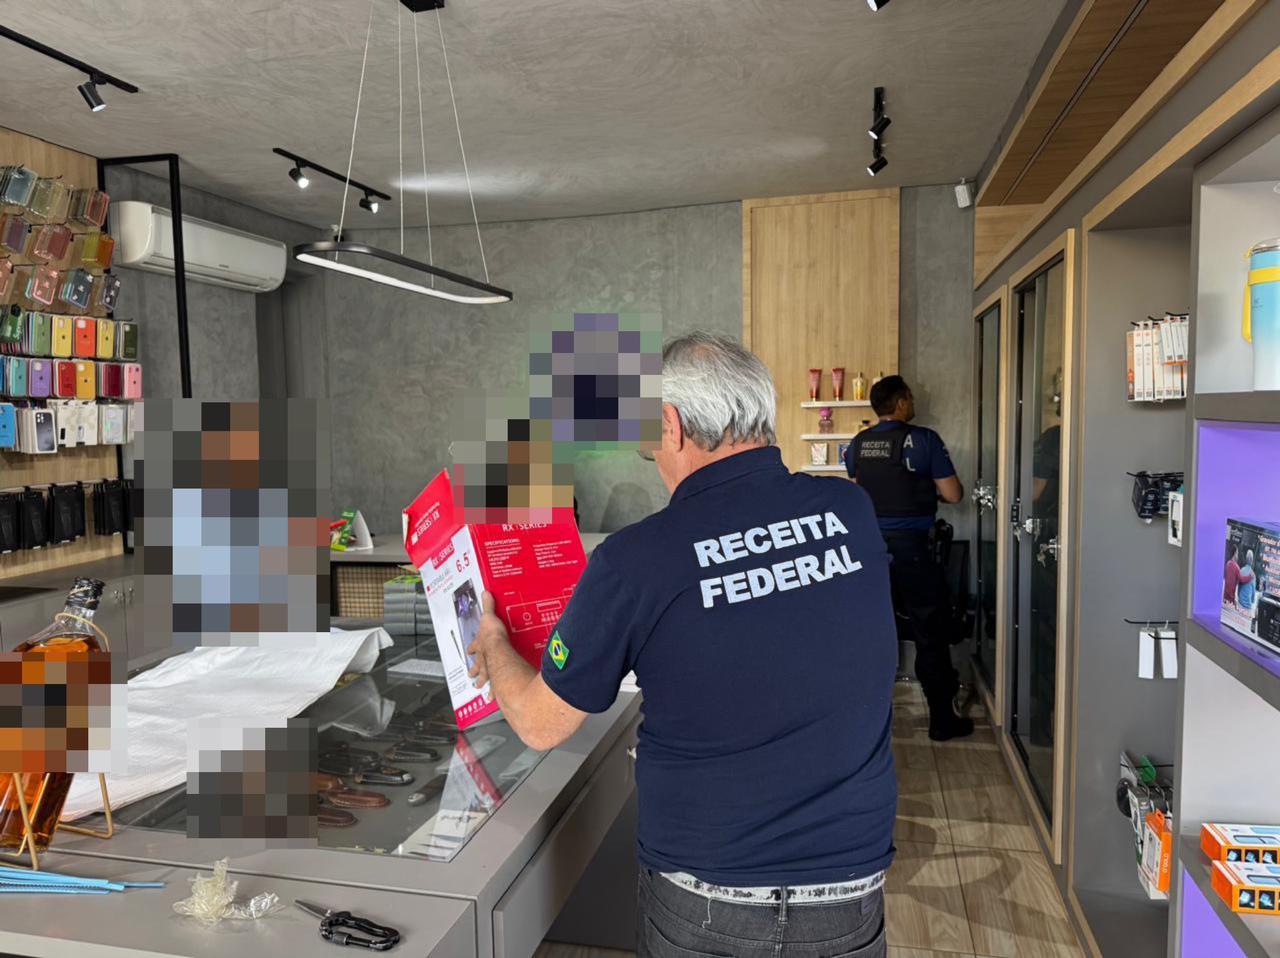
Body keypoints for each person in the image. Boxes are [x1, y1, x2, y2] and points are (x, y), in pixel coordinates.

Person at [467, 332, 897, 957]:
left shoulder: (637, 558)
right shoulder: (850, 510)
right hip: (848, 893)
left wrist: (493, 642)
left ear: (670, 426)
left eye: (649, 447)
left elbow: (539, 722)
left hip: (709, 900)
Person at [843, 375, 971, 741]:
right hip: (914, 550)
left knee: (872, 632)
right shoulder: (924, 440)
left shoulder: (858, 444)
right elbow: (954, 493)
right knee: (930, 632)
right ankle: (942, 720)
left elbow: (860, 489)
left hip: (870, 551)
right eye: (910, 398)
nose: (912, 403)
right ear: (900, 403)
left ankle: (865, 724)